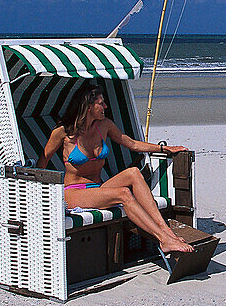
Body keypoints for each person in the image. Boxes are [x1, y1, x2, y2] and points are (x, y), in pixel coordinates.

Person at [37, 83, 194, 253]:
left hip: (98, 188)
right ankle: (164, 241)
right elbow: (43, 160)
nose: (105, 106)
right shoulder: (63, 132)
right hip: (74, 192)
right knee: (124, 194)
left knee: (133, 173)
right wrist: (41, 195)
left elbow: (132, 144)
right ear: (88, 106)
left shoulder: (104, 125)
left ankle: (166, 230)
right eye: (101, 103)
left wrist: (165, 149)